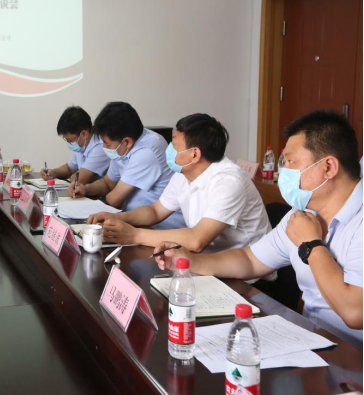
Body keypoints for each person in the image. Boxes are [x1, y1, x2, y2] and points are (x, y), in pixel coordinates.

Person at [154, 110, 363, 349]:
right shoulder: (303, 213)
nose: (284, 171)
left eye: (291, 162)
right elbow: (250, 259)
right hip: (314, 339)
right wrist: (189, 261)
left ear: (328, 167)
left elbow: (354, 313)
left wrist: (312, 245)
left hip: (353, 355)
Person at [89, 114, 271, 252]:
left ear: (194, 154)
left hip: (246, 277)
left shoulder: (228, 182)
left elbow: (197, 239)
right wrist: (117, 218)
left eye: (174, 145)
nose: (169, 149)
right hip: (205, 261)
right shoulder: (183, 173)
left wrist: (135, 235)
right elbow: (155, 211)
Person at [70, 102, 184, 229]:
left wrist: (97, 206)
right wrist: (85, 189)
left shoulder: (147, 151)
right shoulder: (122, 146)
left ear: (127, 142)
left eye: (107, 144)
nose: (104, 147)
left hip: (162, 226)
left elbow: (114, 199)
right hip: (133, 219)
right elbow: (107, 183)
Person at [40, 106, 109, 185]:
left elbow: (78, 180)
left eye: (70, 140)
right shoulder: (82, 145)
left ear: (84, 134)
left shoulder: (101, 147)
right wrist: (52, 172)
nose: (69, 143)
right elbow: (69, 169)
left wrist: (73, 176)